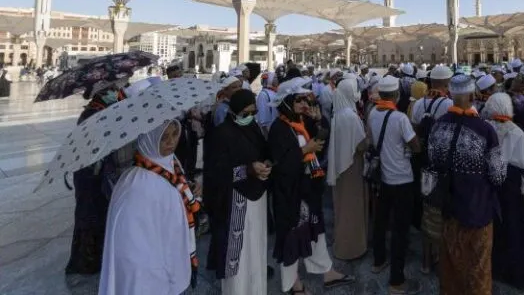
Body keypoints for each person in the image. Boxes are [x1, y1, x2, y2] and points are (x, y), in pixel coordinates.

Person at [268, 78, 353, 294]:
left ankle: (326, 271)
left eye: (304, 99)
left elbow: (320, 145)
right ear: (286, 102)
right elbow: (280, 163)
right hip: (290, 194)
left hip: (308, 188)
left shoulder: (302, 122)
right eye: (298, 100)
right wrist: (305, 150)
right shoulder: (278, 128)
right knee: (291, 238)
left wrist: (319, 122)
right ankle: (293, 283)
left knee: (317, 231)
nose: (303, 103)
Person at [99, 119, 199, 295]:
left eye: (175, 134)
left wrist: (187, 190)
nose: (171, 142)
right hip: (153, 280)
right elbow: (132, 252)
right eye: (163, 137)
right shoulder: (136, 187)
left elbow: (172, 194)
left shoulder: (169, 163)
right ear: (148, 139)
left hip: (174, 264)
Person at [427, 74, 506, 295]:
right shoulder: (485, 130)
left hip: (448, 210)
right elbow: (498, 175)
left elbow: (432, 161)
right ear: (472, 96)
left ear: (451, 95)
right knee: (478, 270)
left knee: (450, 266)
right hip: (477, 212)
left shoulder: (438, 126)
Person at [208, 89, 271, 295]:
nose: (249, 117)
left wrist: (265, 166)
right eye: (245, 113)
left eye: (253, 112)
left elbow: (263, 152)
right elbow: (217, 173)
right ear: (235, 111)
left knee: (257, 250)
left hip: (257, 197)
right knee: (239, 257)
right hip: (234, 203)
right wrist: (249, 170)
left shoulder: (253, 128)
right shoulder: (222, 133)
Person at [66, 82, 130, 276]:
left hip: (99, 173)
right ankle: (85, 261)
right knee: (89, 216)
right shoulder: (91, 114)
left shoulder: (105, 110)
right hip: (89, 174)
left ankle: (99, 256)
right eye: (108, 91)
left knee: (101, 215)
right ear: (99, 95)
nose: (113, 93)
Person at [481, 93, 524, 291]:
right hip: (513, 188)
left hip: (492, 185)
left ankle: (497, 270)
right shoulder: (515, 132)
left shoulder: (485, 128)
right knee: (518, 230)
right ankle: (522, 276)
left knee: (497, 229)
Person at [370, 75, 422, 294]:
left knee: (381, 221)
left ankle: (379, 260)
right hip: (402, 179)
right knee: (401, 230)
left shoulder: (372, 113)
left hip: (384, 178)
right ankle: (396, 281)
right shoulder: (400, 118)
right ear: (396, 95)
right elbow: (416, 146)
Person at [409, 64, 453, 273]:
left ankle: (426, 260)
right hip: (441, 162)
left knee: (426, 204)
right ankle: (441, 253)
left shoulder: (419, 104)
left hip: (422, 160)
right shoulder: (448, 104)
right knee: (441, 206)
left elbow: (414, 129)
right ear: (446, 83)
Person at [327, 78, 369, 260]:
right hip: (352, 167)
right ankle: (352, 248)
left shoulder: (339, 113)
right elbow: (361, 145)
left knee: (342, 207)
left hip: (341, 167)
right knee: (352, 209)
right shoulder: (350, 117)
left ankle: (342, 245)